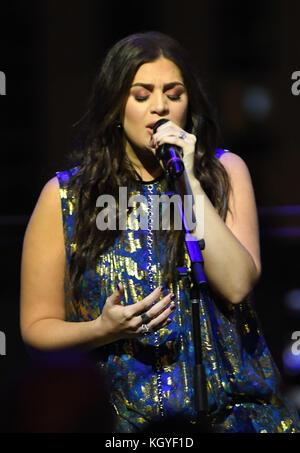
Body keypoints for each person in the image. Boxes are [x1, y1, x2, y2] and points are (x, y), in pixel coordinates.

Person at [20, 31, 300, 433]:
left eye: (174, 93)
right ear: (116, 104)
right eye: (141, 94)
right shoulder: (66, 197)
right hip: (123, 423)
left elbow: (237, 284)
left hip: (237, 416)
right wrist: (103, 328)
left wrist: (188, 177)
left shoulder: (223, 173)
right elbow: (36, 329)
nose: (160, 107)